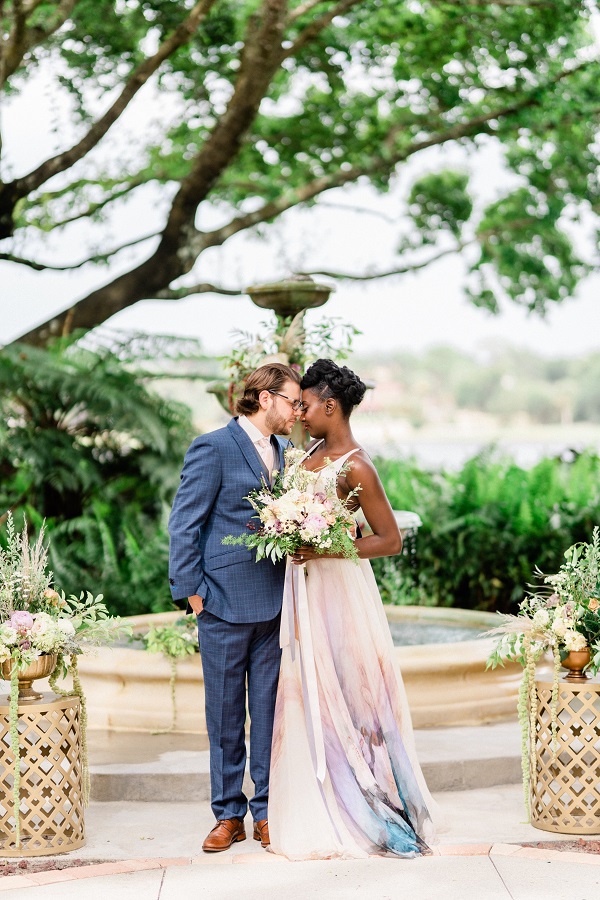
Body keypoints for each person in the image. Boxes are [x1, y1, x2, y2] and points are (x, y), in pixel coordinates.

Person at [268, 358, 438, 860]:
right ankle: (319, 797)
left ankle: (374, 802)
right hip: (303, 587)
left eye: (306, 405)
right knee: (309, 691)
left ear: (330, 405)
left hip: (340, 590)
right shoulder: (306, 456)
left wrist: (324, 549)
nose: (299, 413)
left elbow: (389, 541)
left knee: (353, 693)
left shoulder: (357, 466)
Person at [168, 363, 302, 853]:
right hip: (222, 602)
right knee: (224, 716)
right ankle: (228, 814)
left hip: (273, 603)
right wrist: (190, 591)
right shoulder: (213, 447)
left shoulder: (287, 453)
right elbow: (185, 523)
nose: (298, 411)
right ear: (265, 399)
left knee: (268, 712)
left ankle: (266, 810)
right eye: (292, 401)